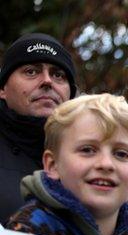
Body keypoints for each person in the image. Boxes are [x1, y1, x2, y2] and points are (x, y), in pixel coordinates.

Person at [5, 94, 128, 235]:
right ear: (52, 165)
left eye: (121, 154)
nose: (106, 164)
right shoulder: (25, 234)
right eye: (87, 150)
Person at [0, 33, 77, 223]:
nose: (47, 81)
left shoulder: (90, 162)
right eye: (31, 71)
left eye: (58, 75)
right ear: (2, 89)